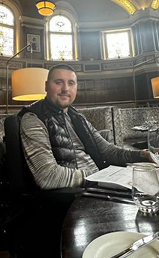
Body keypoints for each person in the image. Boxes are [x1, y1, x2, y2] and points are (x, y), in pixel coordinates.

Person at [19, 64, 151, 189]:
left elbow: (108, 151)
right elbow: (47, 177)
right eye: (58, 82)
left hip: (98, 184)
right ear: (46, 86)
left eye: (71, 83)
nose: (65, 89)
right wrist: (99, 177)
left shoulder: (77, 117)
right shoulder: (33, 118)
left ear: (76, 87)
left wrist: (144, 155)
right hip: (75, 196)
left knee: (153, 186)